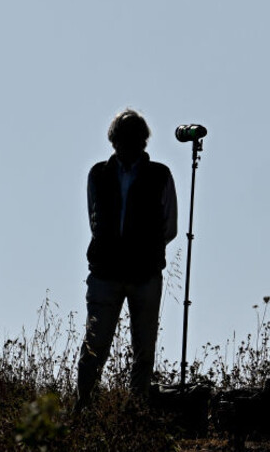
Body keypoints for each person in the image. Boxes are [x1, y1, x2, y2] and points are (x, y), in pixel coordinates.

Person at [76, 109, 178, 411]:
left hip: (142, 274)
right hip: (108, 273)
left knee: (142, 349)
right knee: (96, 346)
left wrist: (140, 252)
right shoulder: (99, 173)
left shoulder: (159, 174)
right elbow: (96, 219)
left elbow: (168, 227)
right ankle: (85, 409)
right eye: (122, 137)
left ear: (141, 140)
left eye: (130, 137)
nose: (125, 143)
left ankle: (135, 410)